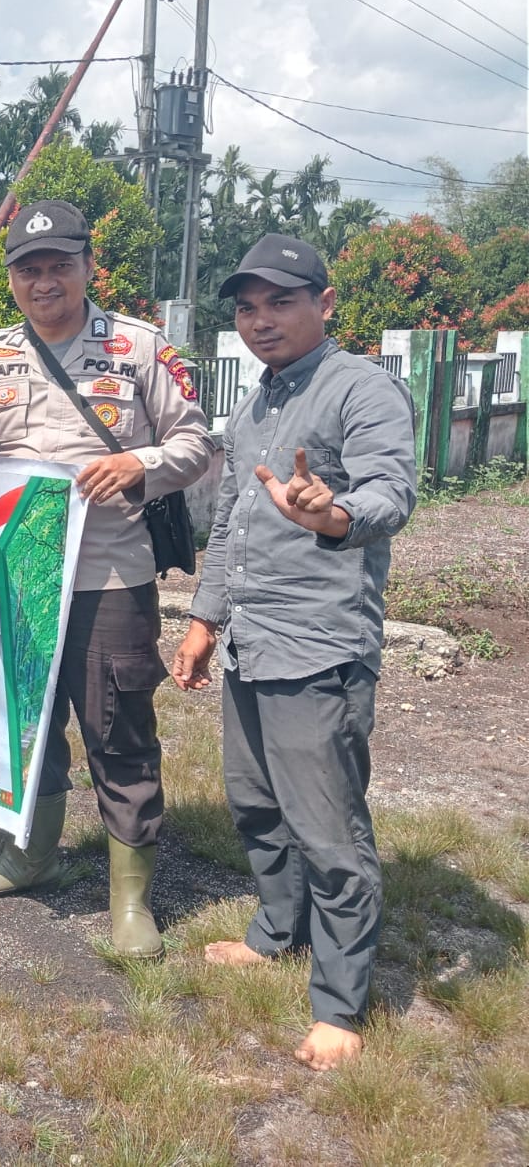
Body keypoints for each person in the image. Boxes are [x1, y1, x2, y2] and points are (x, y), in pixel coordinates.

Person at [0, 199, 215, 957]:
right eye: (28, 269)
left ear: (87, 267)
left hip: (109, 573)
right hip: (18, 576)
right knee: (28, 722)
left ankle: (132, 900)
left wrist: (136, 463)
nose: (44, 281)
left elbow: (198, 441)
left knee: (117, 727)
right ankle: (31, 856)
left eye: (59, 265)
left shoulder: (139, 348)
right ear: (12, 279)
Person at [171, 233, 416, 1071]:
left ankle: (342, 1004)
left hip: (319, 649)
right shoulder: (252, 409)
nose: (261, 320)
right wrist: (205, 622)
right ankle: (278, 929)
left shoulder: (363, 390)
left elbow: (392, 488)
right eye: (247, 306)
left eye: (281, 301)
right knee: (256, 806)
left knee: (329, 829)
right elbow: (233, 523)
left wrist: (337, 514)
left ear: (326, 302)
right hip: (251, 643)